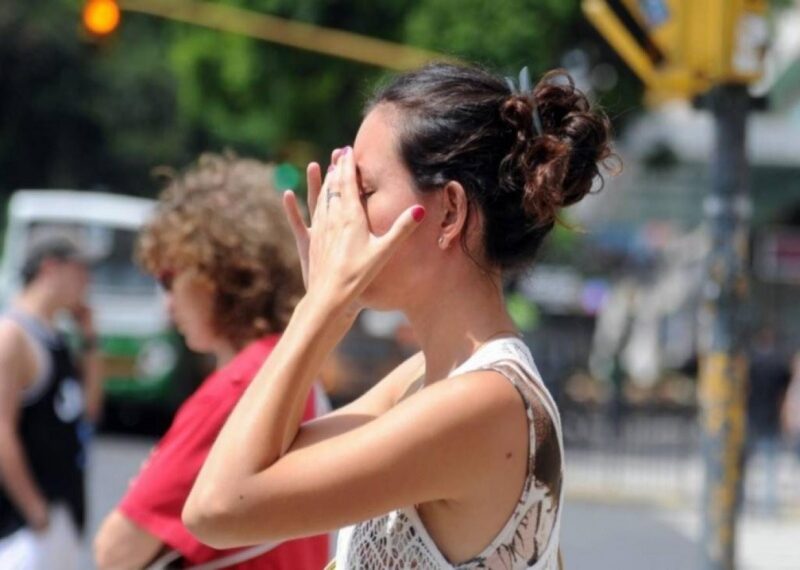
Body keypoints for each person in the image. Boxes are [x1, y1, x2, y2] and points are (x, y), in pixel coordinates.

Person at [183, 64, 613, 570]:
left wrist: (321, 304)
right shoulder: (425, 380)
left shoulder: (483, 403)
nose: (341, 215)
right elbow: (265, 462)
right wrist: (329, 305)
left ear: (450, 212)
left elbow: (218, 508)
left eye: (363, 192)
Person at [94, 153, 330, 569]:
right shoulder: (293, 366)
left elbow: (115, 552)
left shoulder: (239, 388)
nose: (167, 304)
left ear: (216, 271)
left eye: (169, 278)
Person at [0, 236, 103, 570]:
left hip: (62, 511)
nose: (87, 282)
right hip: (22, 526)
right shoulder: (12, 336)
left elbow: (88, 410)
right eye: (80, 271)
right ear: (50, 268)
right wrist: (35, 510)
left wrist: (90, 340)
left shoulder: (56, 337)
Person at [745, 326, 791, 514]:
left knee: (745, 463)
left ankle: (743, 503)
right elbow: (783, 393)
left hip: (753, 416)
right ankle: (768, 507)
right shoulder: (779, 364)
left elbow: (744, 388)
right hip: (770, 416)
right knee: (770, 465)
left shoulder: (752, 363)